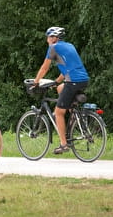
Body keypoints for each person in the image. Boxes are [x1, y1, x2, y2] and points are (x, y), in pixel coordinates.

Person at [33, 26, 89, 154]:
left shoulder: (53, 48)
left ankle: (64, 144)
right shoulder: (70, 46)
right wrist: (57, 81)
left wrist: (36, 82)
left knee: (58, 112)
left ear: (54, 38)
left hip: (73, 81)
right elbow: (69, 68)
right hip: (83, 80)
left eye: (48, 36)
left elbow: (44, 68)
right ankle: (74, 114)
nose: (47, 39)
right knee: (60, 87)